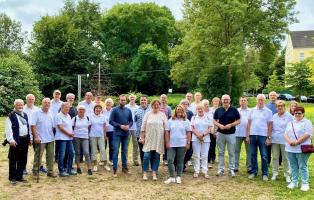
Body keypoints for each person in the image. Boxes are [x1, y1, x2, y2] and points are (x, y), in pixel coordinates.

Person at [284, 106, 313, 191]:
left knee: (302, 166)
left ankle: (305, 183)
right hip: (290, 148)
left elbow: (307, 134)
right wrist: (289, 141)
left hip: (302, 148)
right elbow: (285, 133)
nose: (297, 114)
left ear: (303, 114)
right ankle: (294, 182)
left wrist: (297, 142)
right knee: (293, 166)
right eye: (295, 113)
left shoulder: (307, 122)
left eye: (299, 113)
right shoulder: (291, 123)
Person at [246, 94, 272, 181]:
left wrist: (268, 137)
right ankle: (254, 172)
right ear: (256, 100)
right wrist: (247, 136)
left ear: (265, 101)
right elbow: (248, 124)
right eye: (259, 100)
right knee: (253, 155)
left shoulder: (268, 111)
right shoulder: (252, 110)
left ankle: (265, 174)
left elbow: (270, 125)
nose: (260, 101)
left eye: (262, 100)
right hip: (252, 136)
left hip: (263, 136)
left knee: (264, 155)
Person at [5, 99, 31, 185]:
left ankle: (19, 176)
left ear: (23, 105)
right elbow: (8, 129)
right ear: (15, 106)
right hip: (15, 140)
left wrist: (29, 138)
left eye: (21, 105)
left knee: (23, 159)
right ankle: (12, 178)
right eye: (18, 105)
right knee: (13, 160)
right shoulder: (11, 115)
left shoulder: (25, 115)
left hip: (25, 139)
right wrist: (11, 140)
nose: (20, 106)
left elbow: (28, 127)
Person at [140, 99, 167, 181]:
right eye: (154, 104)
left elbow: (166, 128)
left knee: (156, 156)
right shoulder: (148, 114)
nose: (156, 106)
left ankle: (154, 172)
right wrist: (142, 137)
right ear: (151, 105)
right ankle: (145, 172)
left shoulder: (163, 115)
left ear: (159, 105)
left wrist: (166, 140)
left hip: (159, 139)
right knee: (146, 156)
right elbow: (143, 127)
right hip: (149, 138)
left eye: (157, 104)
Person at [214, 94, 240, 177]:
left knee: (231, 152)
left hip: (231, 134)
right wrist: (219, 125)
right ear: (221, 100)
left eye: (227, 99)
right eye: (224, 99)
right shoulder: (218, 110)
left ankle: (231, 169)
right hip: (220, 134)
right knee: (221, 152)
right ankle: (221, 169)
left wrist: (231, 125)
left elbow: (239, 120)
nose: (225, 101)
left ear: (230, 100)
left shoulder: (234, 110)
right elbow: (214, 121)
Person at [164, 105, 191, 184]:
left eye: (181, 110)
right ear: (175, 111)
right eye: (178, 109)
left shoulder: (186, 121)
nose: (179, 111)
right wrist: (167, 142)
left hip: (182, 144)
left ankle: (179, 176)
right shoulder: (170, 120)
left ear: (183, 111)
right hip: (171, 144)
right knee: (169, 160)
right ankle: (172, 176)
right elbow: (167, 132)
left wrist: (188, 143)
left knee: (180, 161)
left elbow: (188, 132)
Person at [31, 98, 57, 179]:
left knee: (50, 155)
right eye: (45, 102)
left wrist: (53, 136)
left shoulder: (51, 113)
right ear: (42, 103)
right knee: (38, 156)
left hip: (50, 138)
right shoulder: (36, 113)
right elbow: (33, 126)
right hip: (40, 139)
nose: (47, 104)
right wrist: (35, 136)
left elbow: (53, 127)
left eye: (48, 103)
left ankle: (50, 171)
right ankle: (35, 171)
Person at [109, 94, 133, 177]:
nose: (123, 101)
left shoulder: (128, 110)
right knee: (115, 151)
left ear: (126, 101)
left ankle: (124, 168)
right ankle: (115, 169)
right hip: (117, 134)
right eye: (121, 100)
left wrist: (128, 126)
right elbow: (111, 121)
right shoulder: (114, 110)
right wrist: (120, 126)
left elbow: (131, 121)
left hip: (126, 134)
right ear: (119, 100)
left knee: (125, 151)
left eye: (124, 100)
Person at [271, 100, 293, 182]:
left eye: (281, 106)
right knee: (275, 157)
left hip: (285, 140)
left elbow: (292, 128)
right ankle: (275, 173)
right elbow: (271, 127)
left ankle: (287, 175)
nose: (280, 107)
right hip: (275, 140)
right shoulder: (274, 116)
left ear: (284, 106)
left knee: (286, 158)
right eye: (278, 106)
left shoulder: (289, 116)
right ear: (276, 107)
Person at [191, 104, 213, 178]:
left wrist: (202, 135)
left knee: (205, 155)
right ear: (196, 110)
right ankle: (196, 171)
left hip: (206, 139)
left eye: (201, 109)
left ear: (204, 109)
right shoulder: (193, 118)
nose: (200, 110)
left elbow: (210, 128)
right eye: (198, 109)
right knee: (196, 155)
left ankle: (204, 171)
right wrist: (198, 135)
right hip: (195, 139)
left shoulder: (208, 117)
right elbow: (192, 128)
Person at [55, 102, 76, 177]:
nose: (67, 109)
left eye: (68, 107)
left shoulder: (68, 116)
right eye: (66, 107)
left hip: (69, 138)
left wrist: (71, 134)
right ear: (62, 108)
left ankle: (69, 169)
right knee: (62, 155)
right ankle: (61, 171)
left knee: (72, 153)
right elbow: (60, 127)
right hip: (61, 138)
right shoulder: (58, 116)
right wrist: (69, 134)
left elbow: (70, 127)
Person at [23, 94, 42, 175]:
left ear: (34, 100)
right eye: (29, 99)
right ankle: (23, 168)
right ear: (26, 100)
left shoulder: (37, 109)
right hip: (25, 134)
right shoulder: (22, 109)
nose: (31, 101)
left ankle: (39, 167)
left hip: (35, 133)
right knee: (24, 152)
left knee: (38, 151)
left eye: (32, 99)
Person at [72, 105, 93, 175]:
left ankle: (89, 168)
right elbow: (71, 127)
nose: (81, 111)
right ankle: (78, 167)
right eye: (80, 109)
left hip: (85, 137)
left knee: (86, 152)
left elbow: (89, 127)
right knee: (77, 153)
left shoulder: (87, 118)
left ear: (85, 111)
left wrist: (87, 134)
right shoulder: (74, 118)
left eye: (82, 110)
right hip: (76, 137)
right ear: (77, 111)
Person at [90, 105, 110, 172]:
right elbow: (89, 126)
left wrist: (105, 135)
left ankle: (105, 164)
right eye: (96, 108)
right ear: (94, 109)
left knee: (103, 149)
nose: (98, 109)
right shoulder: (91, 116)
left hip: (101, 135)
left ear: (101, 110)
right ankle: (95, 165)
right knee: (94, 150)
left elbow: (104, 126)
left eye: (99, 108)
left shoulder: (103, 117)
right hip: (92, 135)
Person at [234, 97, 251, 173]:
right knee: (236, 151)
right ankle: (235, 166)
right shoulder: (236, 110)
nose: (243, 102)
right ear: (239, 102)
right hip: (237, 133)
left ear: (247, 102)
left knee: (249, 151)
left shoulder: (251, 111)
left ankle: (249, 167)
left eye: (244, 100)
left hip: (248, 134)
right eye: (241, 100)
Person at [134, 95, 151, 167]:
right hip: (139, 134)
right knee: (141, 150)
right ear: (140, 101)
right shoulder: (136, 110)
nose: (143, 101)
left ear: (147, 101)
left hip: (150, 133)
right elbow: (135, 121)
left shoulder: (151, 110)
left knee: (149, 150)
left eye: (144, 100)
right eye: (142, 100)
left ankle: (149, 164)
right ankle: (144, 166)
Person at [126, 94, 140, 166]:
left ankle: (135, 160)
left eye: (133, 98)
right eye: (131, 97)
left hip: (135, 128)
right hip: (127, 128)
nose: (132, 99)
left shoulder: (138, 107)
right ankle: (125, 159)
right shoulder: (126, 106)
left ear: (135, 99)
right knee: (126, 144)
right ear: (129, 99)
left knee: (136, 145)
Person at [180, 99, 194, 169]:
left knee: (188, 150)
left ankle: (184, 162)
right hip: (180, 134)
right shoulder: (178, 112)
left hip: (188, 133)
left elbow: (192, 124)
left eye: (186, 104)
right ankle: (180, 165)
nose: (185, 105)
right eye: (183, 104)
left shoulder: (190, 113)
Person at [266, 91, 278, 165]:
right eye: (271, 95)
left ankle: (278, 162)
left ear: (276, 96)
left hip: (277, 128)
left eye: (274, 95)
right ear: (269, 96)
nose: (273, 96)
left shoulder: (279, 105)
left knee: (277, 146)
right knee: (268, 146)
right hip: (268, 128)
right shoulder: (266, 105)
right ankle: (267, 161)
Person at [208, 97, 220, 167]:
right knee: (212, 144)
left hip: (219, 129)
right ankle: (212, 157)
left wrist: (216, 131)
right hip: (211, 129)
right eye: (214, 101)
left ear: (219, 102)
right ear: (212, 102)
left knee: (219, 145)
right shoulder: (210, 110)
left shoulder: (220, 110)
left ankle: (218, 157)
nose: (215, 102)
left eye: (217, 101)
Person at [160, 94, 172, 165]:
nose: (163, 99)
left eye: (164, 98)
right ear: (160, 99)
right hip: (158, 127)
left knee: (165, 143)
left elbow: (170, 118)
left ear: (166, 99)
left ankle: (165, 159)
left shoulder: (168, 108)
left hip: (166, 128)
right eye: (162, 98)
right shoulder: (158, 106)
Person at [103, 98, 115, 164]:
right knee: (103, 146)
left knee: (112, 146)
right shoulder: (102, 111)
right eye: (107, 102)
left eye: (110, 102)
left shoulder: (114, 111)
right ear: (105, 103)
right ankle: (103, 159)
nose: (108, 103)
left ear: (112, 104)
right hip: (104, 131)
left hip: (112, 130)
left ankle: (111, 159)